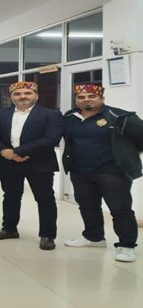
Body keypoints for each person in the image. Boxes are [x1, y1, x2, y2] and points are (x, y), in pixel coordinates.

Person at [62, 84, 143, 262]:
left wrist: (129, 153)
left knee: (120, 209)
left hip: (113, 172)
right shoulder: (70, 117)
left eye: (92, 96)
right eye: (81, 97)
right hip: (80, 171)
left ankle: (127, 246)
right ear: (76, 100)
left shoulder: (120, 117)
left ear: (102, 99)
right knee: (87, 206)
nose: (86, 100)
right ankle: (94, 238)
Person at [0, 81, 63, 250]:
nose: (23, 96)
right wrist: (5, 151)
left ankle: (47, 235)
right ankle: (9, 229)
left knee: (45, 199)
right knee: (10, 196)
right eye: (17, 94)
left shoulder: (51, 115)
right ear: (11, 97)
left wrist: (17, 152)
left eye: (27, 93)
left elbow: (51, 138)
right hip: (7, 162)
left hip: (40, 163)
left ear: (36, 96)